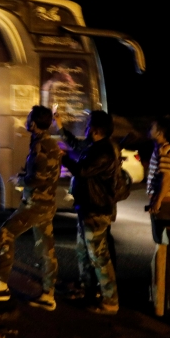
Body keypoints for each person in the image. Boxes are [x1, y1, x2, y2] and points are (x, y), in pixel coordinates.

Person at [0, 106, 63, 310]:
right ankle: (48, 295)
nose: (26, 121)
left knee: (6, 232)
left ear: (34, 124)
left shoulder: (41, 146)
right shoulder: (49, 143)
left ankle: (1, 286)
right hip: (47, 203)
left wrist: (20, 180)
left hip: (36, 204)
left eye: (29, 118)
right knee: (47, 249)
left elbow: (38, 178)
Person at [59, 110, 120, 314]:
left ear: (96, 129)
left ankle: (110, 299)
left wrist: (65, 159)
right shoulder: (95, 147)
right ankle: (88, 289)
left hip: (96, 210)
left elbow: (82, 171)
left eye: (88, 124)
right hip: (87, 208)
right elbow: (78, 149)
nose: (86, 127)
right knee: (84, 252)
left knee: (99, 257)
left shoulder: (104, 151)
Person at [146, 117, 170, 315]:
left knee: (163, 246)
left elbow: (166, 178)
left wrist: (157, 201)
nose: (149, 129)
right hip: (167, 202)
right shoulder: (164, 149)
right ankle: (163, 292)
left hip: (165, 203)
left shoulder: (164, 150)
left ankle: (164, 294)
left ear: (159, 132)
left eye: (152, 127)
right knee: (163, 244)